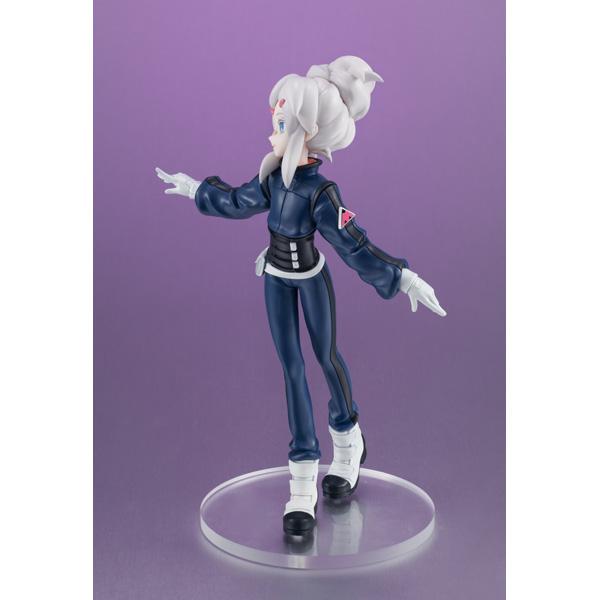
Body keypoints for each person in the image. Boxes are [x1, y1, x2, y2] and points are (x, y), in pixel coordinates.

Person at [156, 56, 446, 536]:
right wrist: (195, 190)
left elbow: (355, 245)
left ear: (306, 131)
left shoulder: (321, 193)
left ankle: (348, 443)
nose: (272, 129)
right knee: (291, 369)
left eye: (282, 122)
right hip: (275, 278)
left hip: (310, 279)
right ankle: (303, 479)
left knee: (326, 358)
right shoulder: (272, 180)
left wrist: (402, 278)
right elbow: (237, 200)